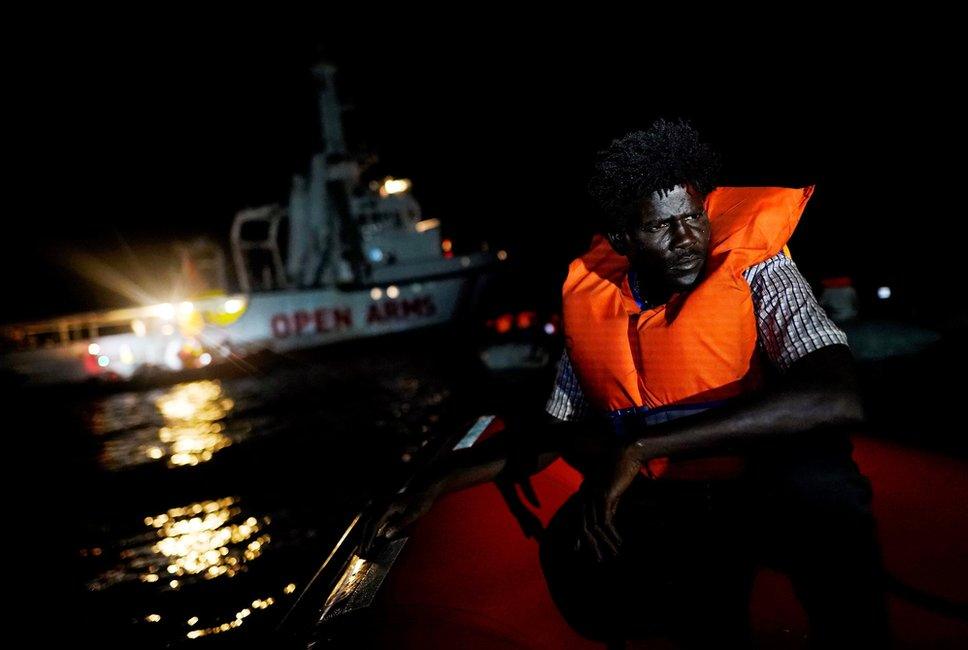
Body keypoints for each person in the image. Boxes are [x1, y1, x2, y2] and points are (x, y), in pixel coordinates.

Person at [360, 119, 888, 648]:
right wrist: (436, 482)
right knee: (579, 547)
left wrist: (638, 448)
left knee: (822, 487)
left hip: (763, 483)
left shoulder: (757, 268)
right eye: (661, 227)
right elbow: (551, 431)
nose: (687, 240)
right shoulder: (595, 299)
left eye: (693, 218)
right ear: (623, 239)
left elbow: (836, 396)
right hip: (680, 497)